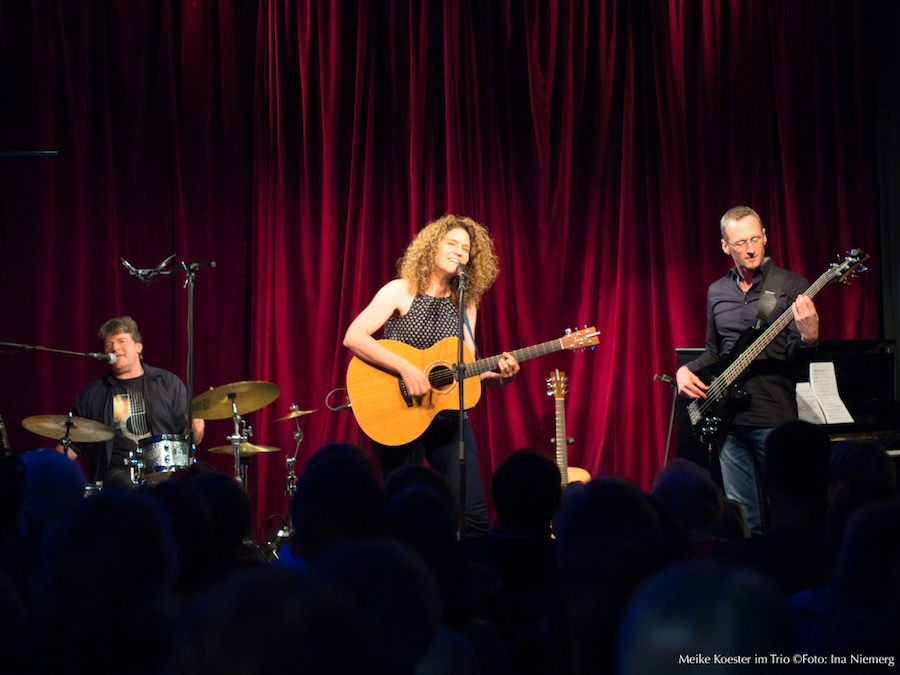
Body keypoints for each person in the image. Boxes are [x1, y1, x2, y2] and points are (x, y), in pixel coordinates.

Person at [344, 214, 520, 537]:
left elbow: (466, 370)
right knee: (401, 521)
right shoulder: (401, 291)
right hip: (398, 413)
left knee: (475, 520)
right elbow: (354, 336)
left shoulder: (466, 304)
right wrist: (406, 368)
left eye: (466, 248)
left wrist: (500, 377)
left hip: (447, 417)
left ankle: (473, 584)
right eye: (451, 243)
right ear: (431, 248)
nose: (459, 252)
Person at [676, 206, 819, 534]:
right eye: (741, 243)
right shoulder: (717, 291)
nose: (751, 248)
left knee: (787, 516)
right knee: (745, 522)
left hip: (774, 419)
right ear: (725, 246)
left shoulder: (791, 284)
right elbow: (715, 352)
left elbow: (799, 358)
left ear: (766, 236)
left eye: (756, 238)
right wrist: (685, 371)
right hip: (728, 420)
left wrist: (809, 338)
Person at [61, 316, 204, 490]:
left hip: (163, 473)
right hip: (116, 476)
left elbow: (189, 438)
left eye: (122, 341)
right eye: (109, 345)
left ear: (138, 346)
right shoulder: (92, 395)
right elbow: (72, 443)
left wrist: (196, 429)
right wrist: (50, 468)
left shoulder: (168, 383)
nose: (115, 348)